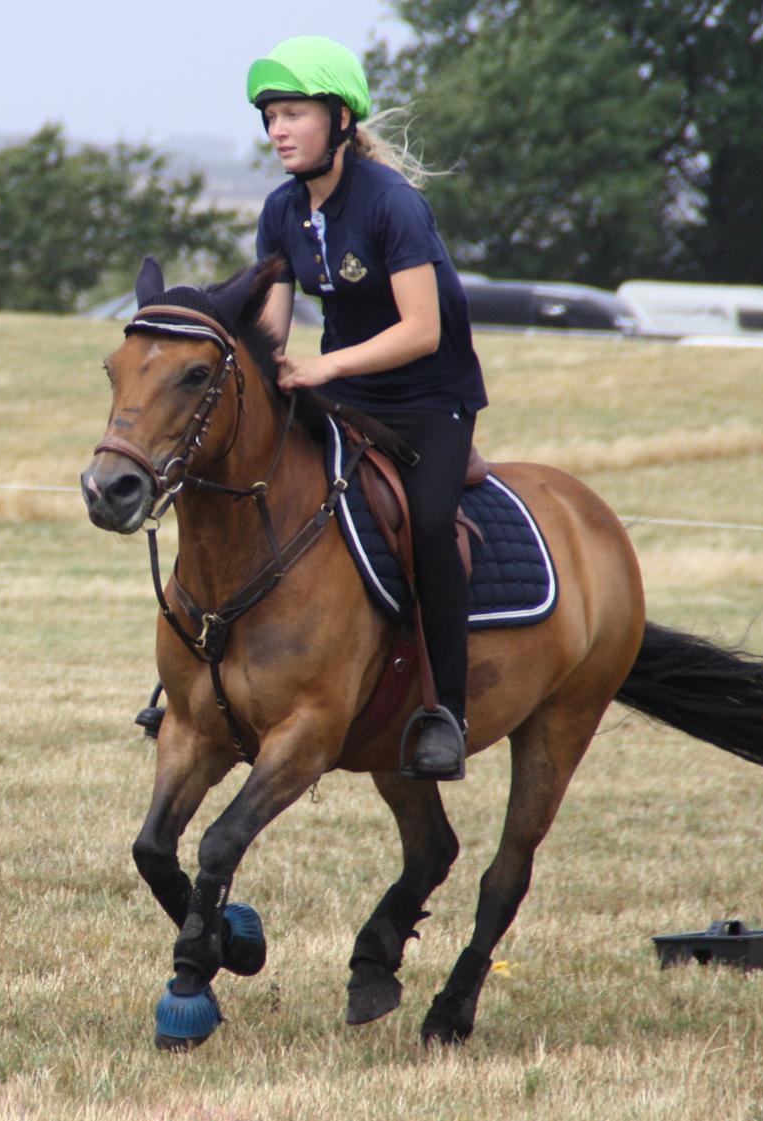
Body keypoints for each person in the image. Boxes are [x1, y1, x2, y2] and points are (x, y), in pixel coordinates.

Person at [247, 35, 488, 781]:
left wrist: (324, 366)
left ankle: (446, 708)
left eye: (294, 113)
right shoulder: (282, 209)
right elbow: (270, 330)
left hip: (429, 402)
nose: (279, 129)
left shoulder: (394, 205)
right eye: (271, 117)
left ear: (340, 119)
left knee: (425, 526)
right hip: (345, 395)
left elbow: (422, 330)